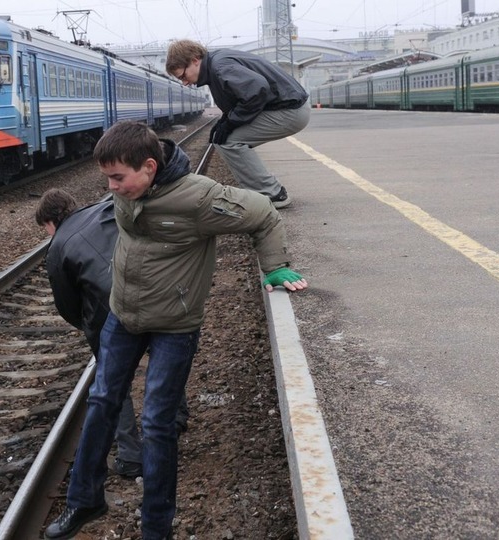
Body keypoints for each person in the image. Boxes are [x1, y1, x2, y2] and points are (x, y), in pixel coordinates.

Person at [44, 121, 307, 540]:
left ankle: (156, 528)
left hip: (173, 326)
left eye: (118, 178)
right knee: (101, 401)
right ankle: (85, 501)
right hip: (124, 316)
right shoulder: (130, 188)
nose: (111, 188)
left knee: (157, 422)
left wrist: (274, 267)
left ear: (149, 167)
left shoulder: (199, 199)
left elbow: (263, 213)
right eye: (107, 178)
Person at [36, 189, 191, 479]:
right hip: (152, 288)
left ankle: (131, 456)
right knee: (162, 352)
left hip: (111, 313)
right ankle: (175, 418)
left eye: (45, 229)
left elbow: (67, 305)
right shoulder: (106, 209)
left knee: (113, 381)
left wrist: (89, 326)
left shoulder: (57, 247)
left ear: (51, 222)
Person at [166, 39, 310, 209]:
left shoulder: (220, 67)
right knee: (224, 138)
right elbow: (242, 96)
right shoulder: (216, 64)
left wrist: (231, 122)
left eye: (183, 76)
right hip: (286, 108)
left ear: (195, 60)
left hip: (290, 111)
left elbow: (257, 90)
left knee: (229, 142)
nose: (184, 82)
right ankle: (264, 191)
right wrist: (225, 120)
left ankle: (272, 194)